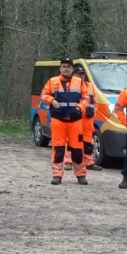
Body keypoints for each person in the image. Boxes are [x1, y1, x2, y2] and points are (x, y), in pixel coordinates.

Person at [40, 57, 90, 185]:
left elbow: (86, 98)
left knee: (78, 149)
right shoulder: (52, 81)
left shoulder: (79, 82)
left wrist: (79, 108)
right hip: (58, 120)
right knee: (58, 148)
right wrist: (52, 101)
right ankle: (57, 175)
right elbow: (44, 94)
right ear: (60, 68)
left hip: (75, 120)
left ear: (72, 69)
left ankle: (80, 175)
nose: (66, 68)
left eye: (68, 66)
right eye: (64, 66)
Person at [63, 65, 103, 172]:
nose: (81, 77)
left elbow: (94, 101)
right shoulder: (69, 86)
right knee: (71, 140)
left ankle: (88, 162)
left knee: (88, 141)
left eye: (82, 74)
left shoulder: (89, 86)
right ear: (73, 75)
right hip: (75, 118)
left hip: (88, 119)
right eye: (78, 74)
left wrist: (92, 112)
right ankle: (68, 161)